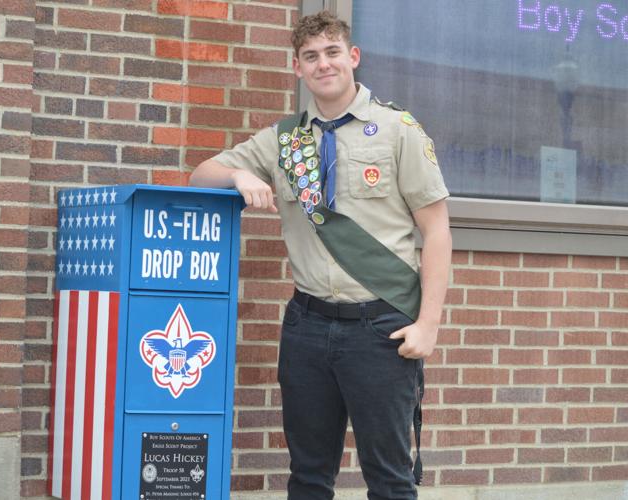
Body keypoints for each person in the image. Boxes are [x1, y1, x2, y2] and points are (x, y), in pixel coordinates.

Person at [189, 10, 451, 500]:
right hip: (307, 328)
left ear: (352, 57)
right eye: (311, 56)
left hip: (382, 327)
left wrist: (429, 323)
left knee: (390, 481)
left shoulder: (399, 130)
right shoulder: (284, 141)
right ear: (298, 68)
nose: (322, 64)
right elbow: (200, 175)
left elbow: (437, 232)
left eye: (332, 53)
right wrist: (240, 176)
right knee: (308, 478)